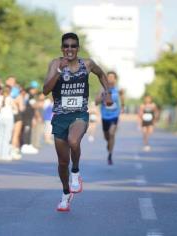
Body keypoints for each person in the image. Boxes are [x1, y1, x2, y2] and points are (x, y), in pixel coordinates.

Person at [43, 32, 113, 212]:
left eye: (73, 46)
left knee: (74, 141)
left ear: (78, 48)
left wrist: (108, 92)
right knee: (62, 163)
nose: (69, 49)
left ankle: (76, 172)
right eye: (66, 46)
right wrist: (59, 71)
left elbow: (101, 74)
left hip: (79, 115)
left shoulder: (87, 64)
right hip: (60, 117)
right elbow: (45, 90)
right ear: (62, 48)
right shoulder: (55, 64)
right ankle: (66, 194)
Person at [95, 71, 125, 165]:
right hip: (105, 116)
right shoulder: (102, 89)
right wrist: (103, 96)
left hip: (114, 115)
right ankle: (109, 143)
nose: (110, 79)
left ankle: (110, 155)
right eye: (109, 77)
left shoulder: (118, 89)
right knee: (107, 137)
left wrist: (123, 106)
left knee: (112, 133)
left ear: (115, 79)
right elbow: (96, 102)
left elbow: (122, 98)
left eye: (112, 77)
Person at [0, 86, 16, 161]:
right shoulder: (10, 99)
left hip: (1, 117)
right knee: (7, 137)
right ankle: (4, 155)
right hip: (9, 118)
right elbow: (15, 109)